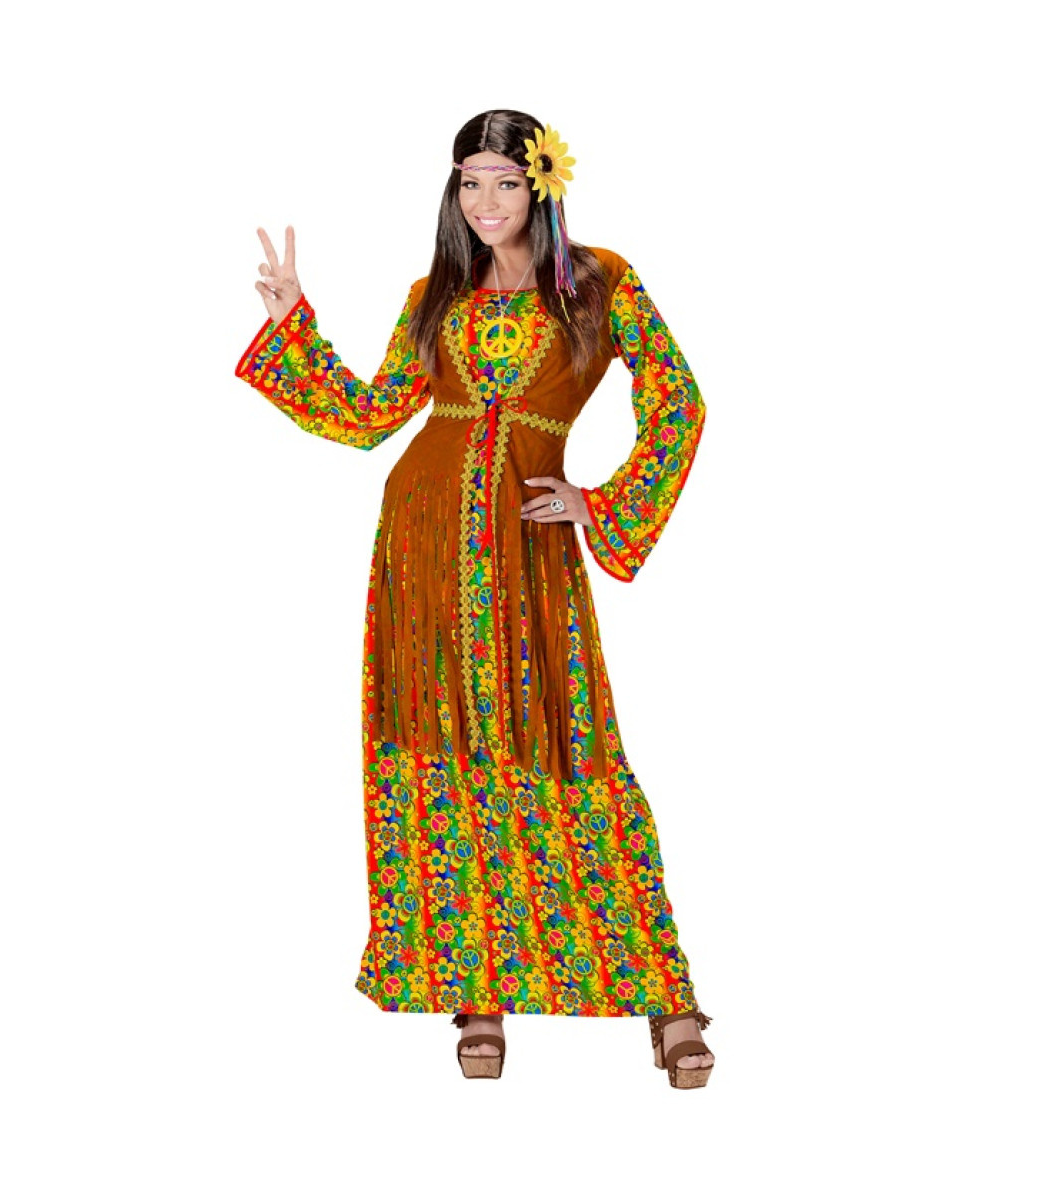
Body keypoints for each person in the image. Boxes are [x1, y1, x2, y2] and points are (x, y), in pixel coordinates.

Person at [232, 110, 713, 1088]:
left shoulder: (599, 284)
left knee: (571, 753)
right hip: (424, 555)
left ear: (541, 185)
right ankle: (475, 990)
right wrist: (291, 323)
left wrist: (597, 502)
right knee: (446, 757)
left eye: (504, 181)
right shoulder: (435, 296)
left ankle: (666, 997)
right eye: (468, 182)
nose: (485, 202)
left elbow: (679, 401)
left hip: (527, 555)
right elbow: (370, 415)